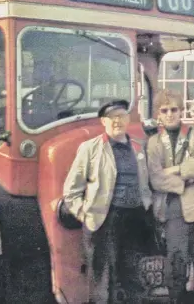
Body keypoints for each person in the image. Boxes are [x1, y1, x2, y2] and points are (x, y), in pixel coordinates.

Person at [63, 99, 153, 303]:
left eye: (121, 117)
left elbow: (148, 182)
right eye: (111, 118)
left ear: (128, 119)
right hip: (104, 220)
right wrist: (85, 215)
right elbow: (71, 190)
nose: (117, 122)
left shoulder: (139, 148)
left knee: (133, 275)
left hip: (135, 219)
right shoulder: (90, 149)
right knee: (103, 279)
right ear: (103, 122)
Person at [147, 90, 194, 304]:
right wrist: (186, 182)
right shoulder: (154, 143)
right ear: (158, 114)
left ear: (181, 111)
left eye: (174, 109)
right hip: (175, 208)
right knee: (176, 262)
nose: (170, 114)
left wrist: (176, 169)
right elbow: (156, 177)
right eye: (165, 110)